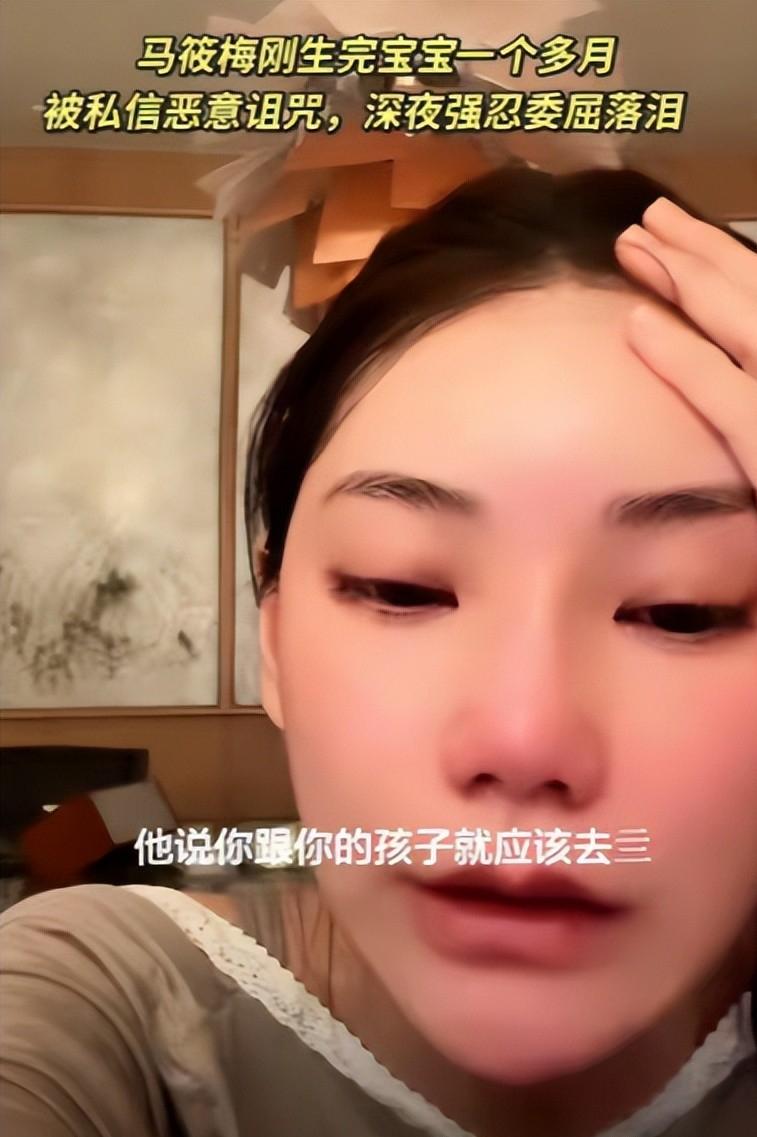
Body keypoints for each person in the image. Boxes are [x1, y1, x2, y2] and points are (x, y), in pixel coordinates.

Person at [1, 165, 756, 1137]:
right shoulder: (100, 1005)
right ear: (274, 639)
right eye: (400, 588)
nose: (522, 737)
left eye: (683, 609)